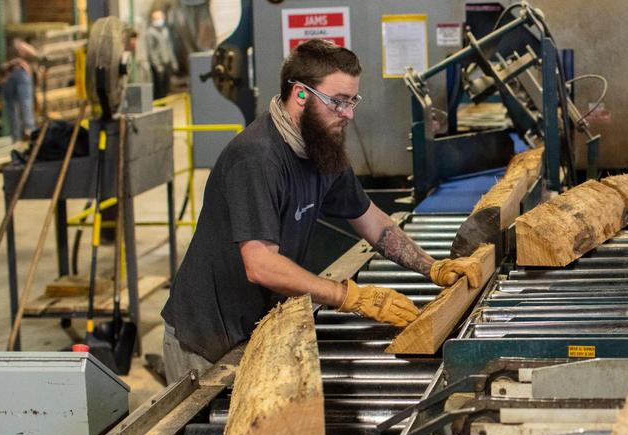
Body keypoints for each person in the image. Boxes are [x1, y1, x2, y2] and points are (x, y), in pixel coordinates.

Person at [160, 39, 482, 383]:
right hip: (207, 342)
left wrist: (433, 269)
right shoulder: (256, 158)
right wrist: (349, 296)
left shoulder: (321, 149)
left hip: (255, 329)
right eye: (338, 102)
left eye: (352, 101)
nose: (349, 113)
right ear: (300, 95)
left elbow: (374, 223)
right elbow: (260, 265)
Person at [2, 37, 39, 142]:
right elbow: (35, 55)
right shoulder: (18, 47)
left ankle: (21, 134)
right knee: (24, 104)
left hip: (12, 75)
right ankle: (27, 132)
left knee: (18, 105)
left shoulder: (11, 48)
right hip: (15, 75)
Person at [145, 9, 178, 99]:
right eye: (157, 18)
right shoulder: (150, 32)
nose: (159, 20)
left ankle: (164, 101)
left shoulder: (165, 31)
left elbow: (169, 47)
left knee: (166, 85)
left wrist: (173, 62)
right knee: (158, 86)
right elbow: (151, 51)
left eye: (160, 17)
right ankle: (159, 103)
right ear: (152, 19)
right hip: (158, 65)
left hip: (166, 62)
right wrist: (157, 65)